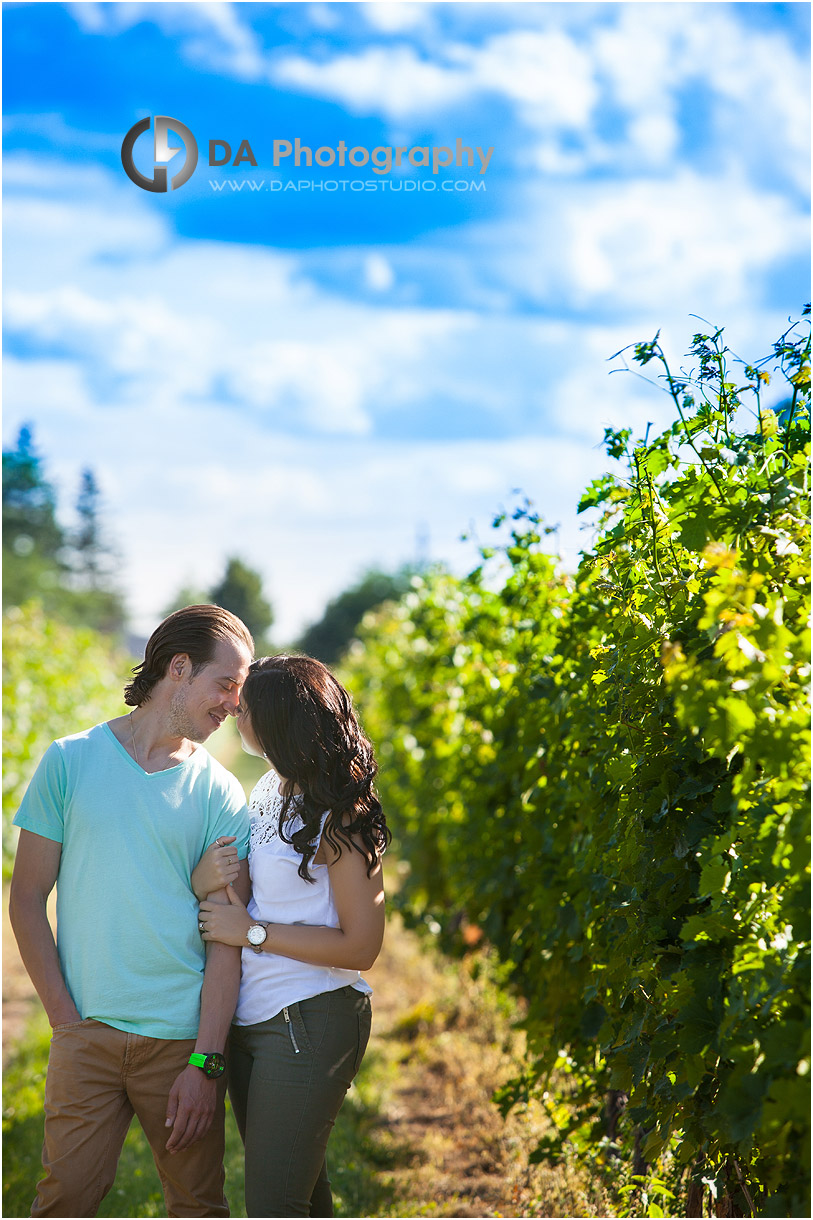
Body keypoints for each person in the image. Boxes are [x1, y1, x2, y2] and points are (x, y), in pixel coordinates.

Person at [9, 604, 254, 1218]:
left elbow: (227, 940)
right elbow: (26, 899)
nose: (232, 704)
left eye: (240, 691)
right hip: (85, 1036)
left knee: (198, 1206)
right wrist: (66, 1022)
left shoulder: (221, 792)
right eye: (225, 683)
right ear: (179, 668)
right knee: (62, 1201)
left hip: (180, 1044)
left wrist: (206, 1059)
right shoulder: (69, 762)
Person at [192, 654, 390, 1218]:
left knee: (274, 1204)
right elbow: (248, 891)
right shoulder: (268, 792)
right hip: (252, 1022)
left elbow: (362, 947)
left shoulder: (342, 813)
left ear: (278, 721)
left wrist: (251, 933)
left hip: (311, 1019)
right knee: (302, 1200)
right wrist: (208, 878)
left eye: (246, 707)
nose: (235, 712)